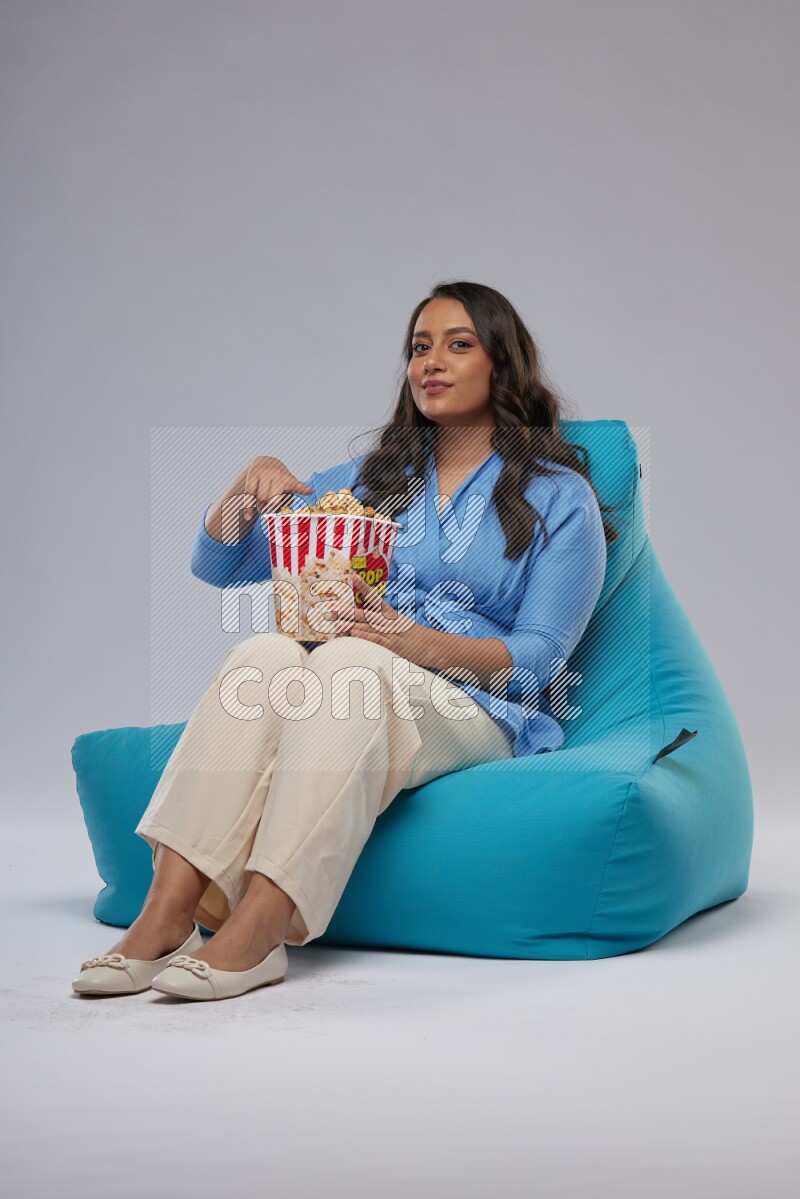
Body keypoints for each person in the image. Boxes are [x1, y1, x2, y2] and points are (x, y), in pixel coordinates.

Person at [72, 280, 617, 1002]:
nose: (432, 361)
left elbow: (541, 658)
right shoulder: (374, 479)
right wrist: (248, 485)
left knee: (349, 660)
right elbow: (220, 564)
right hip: (358, 680)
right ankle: (167, 910)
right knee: (262, 654)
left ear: (502, 365)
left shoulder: (557, 496)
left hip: (483, 707)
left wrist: (417, 643)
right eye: (420, 347)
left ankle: (262, 924)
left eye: (458, 345)